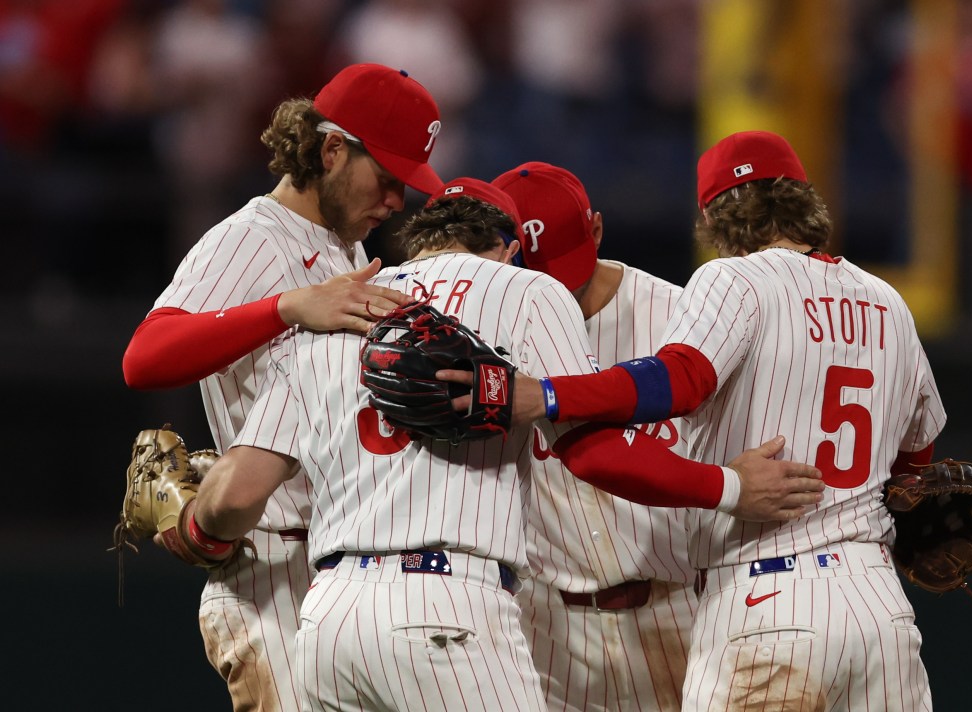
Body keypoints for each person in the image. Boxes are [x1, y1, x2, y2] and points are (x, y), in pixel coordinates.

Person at [171, 179, 822, 711]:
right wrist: (731, 487)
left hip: (330, 619)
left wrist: (195, 532)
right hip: (448, 607)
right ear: (508, 249)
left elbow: (240, 490)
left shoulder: (343, 305)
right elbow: (589, 452)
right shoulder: (522, 291)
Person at [478, 131, 946, 710]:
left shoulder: (732, 281)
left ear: (713, 216)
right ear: (803, 198)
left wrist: (548, 394)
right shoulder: (888, 300)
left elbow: (680, 379)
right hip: (878, 604)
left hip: (765, 601)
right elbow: (917, 461)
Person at [121, 63, 444, 712]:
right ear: (331, 150)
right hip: (272, 572)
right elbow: (144, 358)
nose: (396, 202)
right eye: (387, 179)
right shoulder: (251, 238)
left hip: (345, 566)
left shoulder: (347, 249)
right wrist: (286, 308)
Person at [491, 161, 696, 711]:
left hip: (678, 608)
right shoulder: (488, 323)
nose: (551, 296)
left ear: (598, 230)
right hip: (548, 626)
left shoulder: (682, 317)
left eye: (561, 275)